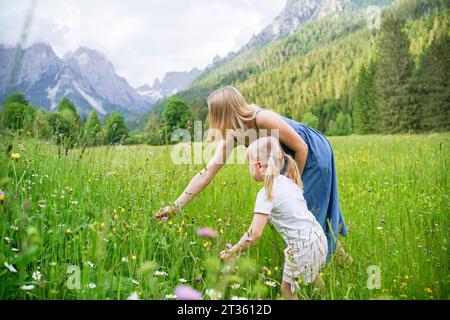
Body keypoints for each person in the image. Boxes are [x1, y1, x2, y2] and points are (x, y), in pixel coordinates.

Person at [155, 86, 350, 261]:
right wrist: (175, 207)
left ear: (223, 113)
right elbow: (206, 173)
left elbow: (301, 147)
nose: (211, 118)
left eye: (213, 113)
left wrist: (291, 184)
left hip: (312, 153)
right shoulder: (234, 134)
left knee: (304, 214)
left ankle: (315, 266)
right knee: (306, 217)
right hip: (292, 157)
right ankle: (344, 262)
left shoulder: (261, 118)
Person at [219, 136, 328, 299]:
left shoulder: (265, 194)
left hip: (302, 246)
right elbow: (287, 209)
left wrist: (232, 252)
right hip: (318, 238)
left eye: (249, 166)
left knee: (287, 291)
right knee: (312, 275)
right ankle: (327, 296)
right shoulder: (288, 181)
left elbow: (254, 235)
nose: (249, 170)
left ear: (259, 165)